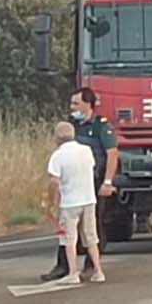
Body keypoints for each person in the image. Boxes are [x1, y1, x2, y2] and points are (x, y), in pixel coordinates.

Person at [41, 87, 120, 282]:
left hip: (93, 182)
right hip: (72, 184)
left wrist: (108, 182)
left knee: (94, 227)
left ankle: (91, 266)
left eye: (76, 103)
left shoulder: (101, 127)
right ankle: (64, 266)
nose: (72, 107)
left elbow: (112, 154)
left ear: (88, 104)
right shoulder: (72, 127)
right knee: (67, 228)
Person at [46, 122, 104, 283]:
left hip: (69, 202)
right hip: (89, 199)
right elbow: (91, 169)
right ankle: (98, 270)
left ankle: (73, 272)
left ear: (57, 138)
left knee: (69, 239)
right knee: (91, 236)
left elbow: (54, 182)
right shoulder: (86, 151)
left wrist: (52, 202)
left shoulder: (57, 156)